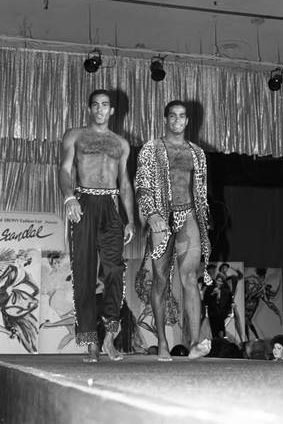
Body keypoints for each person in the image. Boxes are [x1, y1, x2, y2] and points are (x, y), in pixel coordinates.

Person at [59, 89, 135, 362]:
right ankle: (90, 341)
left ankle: (109, 336)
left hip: (112, 206)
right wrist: (69, 197)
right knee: (84, 272)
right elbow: (65, 169)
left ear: (112, 111)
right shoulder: (75, 135)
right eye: (96, 105)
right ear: (89, 108)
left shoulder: (121, 144)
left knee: (115, 269)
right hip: (84, 202)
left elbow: (125, 183)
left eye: (105, 106)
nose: (101, 110)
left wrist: (130, 220)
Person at [135, 100, 212, 361]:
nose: (177, 121)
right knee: (160, 281)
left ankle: (194, 343)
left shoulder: (197, 153)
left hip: (187, 215)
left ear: (188, 121)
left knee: (190, 277)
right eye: (173, 116)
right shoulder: (151, 149)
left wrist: (203, 219)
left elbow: (199, 191)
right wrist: (152, 214)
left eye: (182, 117)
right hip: (161, 217)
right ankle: (163, 342)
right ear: (166, 119)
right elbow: (142, 186)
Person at [203, 272, 232, 339]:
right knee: (214, 333)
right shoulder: (210, 288)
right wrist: (212, 294)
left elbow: (226, 303)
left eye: (221, 282)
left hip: (221, 314)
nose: (219, 283)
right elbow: (206, 301)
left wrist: (219, 295)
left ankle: (222, 342)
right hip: (212, 314)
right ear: (215, 280)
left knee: (221, 332)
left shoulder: (226, 291)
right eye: (218, 281)